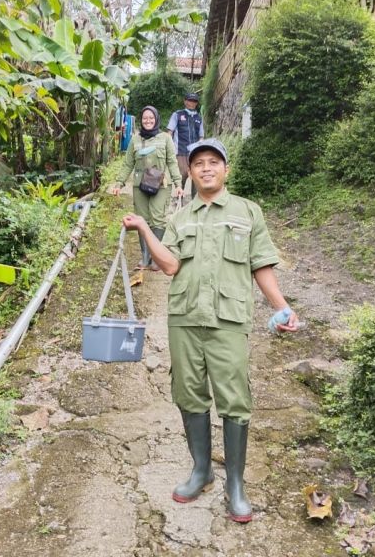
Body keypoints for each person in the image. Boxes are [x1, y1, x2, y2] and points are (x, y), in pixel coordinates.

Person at [122, 138, 299, 523]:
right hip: (185, 318)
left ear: (225, 170)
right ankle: (201, 471)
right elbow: (169, 265)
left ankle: (235, 484)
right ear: (190, 171)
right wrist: (142, 228)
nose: (205, 168)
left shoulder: (247, 212)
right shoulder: (180, 219)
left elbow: (261, 265)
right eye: (198, 162)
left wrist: (282, 307)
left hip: (229, 319)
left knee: (234, 398)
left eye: (213, 162)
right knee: (189, 394)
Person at [112, 106, 184, 270]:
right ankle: (145, 257)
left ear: (156, 119)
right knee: (142, 219)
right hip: (140, 185)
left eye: (151, 118)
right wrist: (119, 183)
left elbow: (172, 162)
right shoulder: (135, 140)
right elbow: (128, 163)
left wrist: (179, 184)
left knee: (158, 218)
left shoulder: (165, 138)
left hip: (161, 184)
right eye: (145, 118)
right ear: (141, 120)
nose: (148, 121)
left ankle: (156, 258)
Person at [167, 92, 204, 194]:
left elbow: (201, 137)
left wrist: (200, 146)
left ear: (196, 103)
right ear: (185, 101)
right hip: (180, 151)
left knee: (196, 176)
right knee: (182, 174)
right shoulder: (177, 115)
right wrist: (169, 148)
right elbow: (169, 133)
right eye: (189, 100)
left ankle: (195, 200)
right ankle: (179, 196)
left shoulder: (199, 118)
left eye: (194, 101)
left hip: (195, 153)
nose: (191, 103)